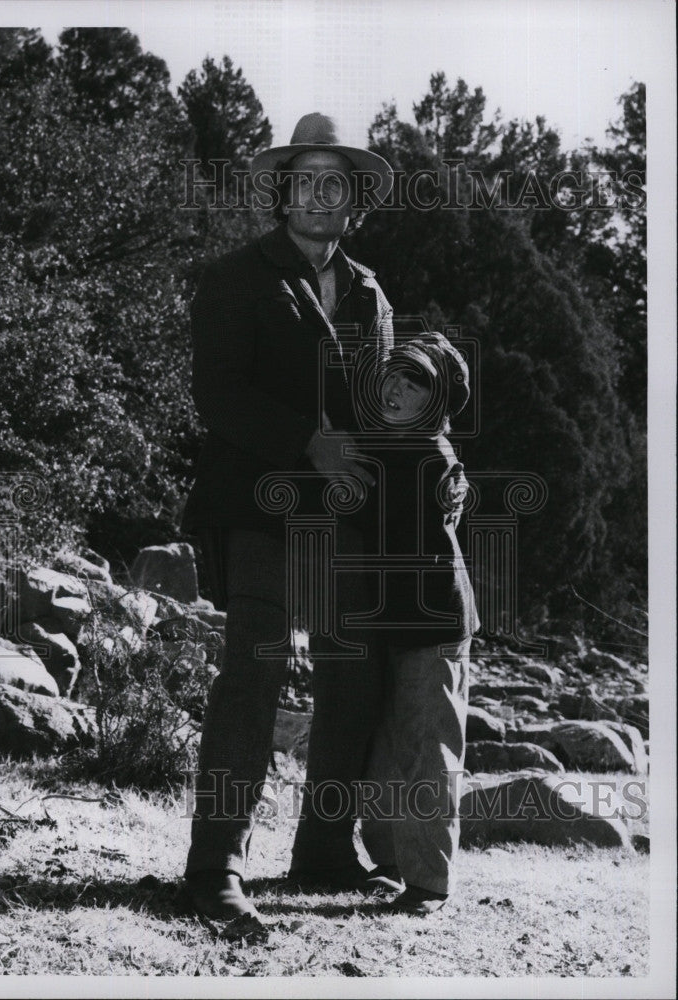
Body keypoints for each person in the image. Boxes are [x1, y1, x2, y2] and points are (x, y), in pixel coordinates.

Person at [177, 113, 400, 921]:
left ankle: (324, 852)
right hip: (256, 506)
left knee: (353, 676)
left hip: (345, 517)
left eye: (333, 181)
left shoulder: (370, 289)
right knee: (254, 675)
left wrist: (418, 470)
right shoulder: (236, 276)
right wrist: (308, 443)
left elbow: (377, 406)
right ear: (283, 193)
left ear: (354, 201)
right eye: (303, 178)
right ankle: (215, 869)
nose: (317, 193)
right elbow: (218, 394)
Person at [353, 333, 480, 916]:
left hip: (433, 623)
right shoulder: (380, 443)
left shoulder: (432, 453)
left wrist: (455, 482)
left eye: (418, 379)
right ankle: (392, 865)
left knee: (428, 751)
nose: (398, 385)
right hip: (389, 621)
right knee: (385, 750)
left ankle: (428, 884)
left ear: (440, 401)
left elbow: (448, 480)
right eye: (394, 373)